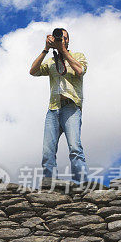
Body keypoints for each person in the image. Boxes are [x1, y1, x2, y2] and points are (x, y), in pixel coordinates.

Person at [29, 28, 89, 186]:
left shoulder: (78, 56)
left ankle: (81, 184)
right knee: (48, 151)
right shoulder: (51, 61)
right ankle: (49, 184)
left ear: (68, 40)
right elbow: (33, 71)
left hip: (71, 107)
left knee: (75, 147)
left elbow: (79, 70)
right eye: (58, 37)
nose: (60, 39)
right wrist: (45, 49)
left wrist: (63, 50)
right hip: (53, 108)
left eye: (63, 37)